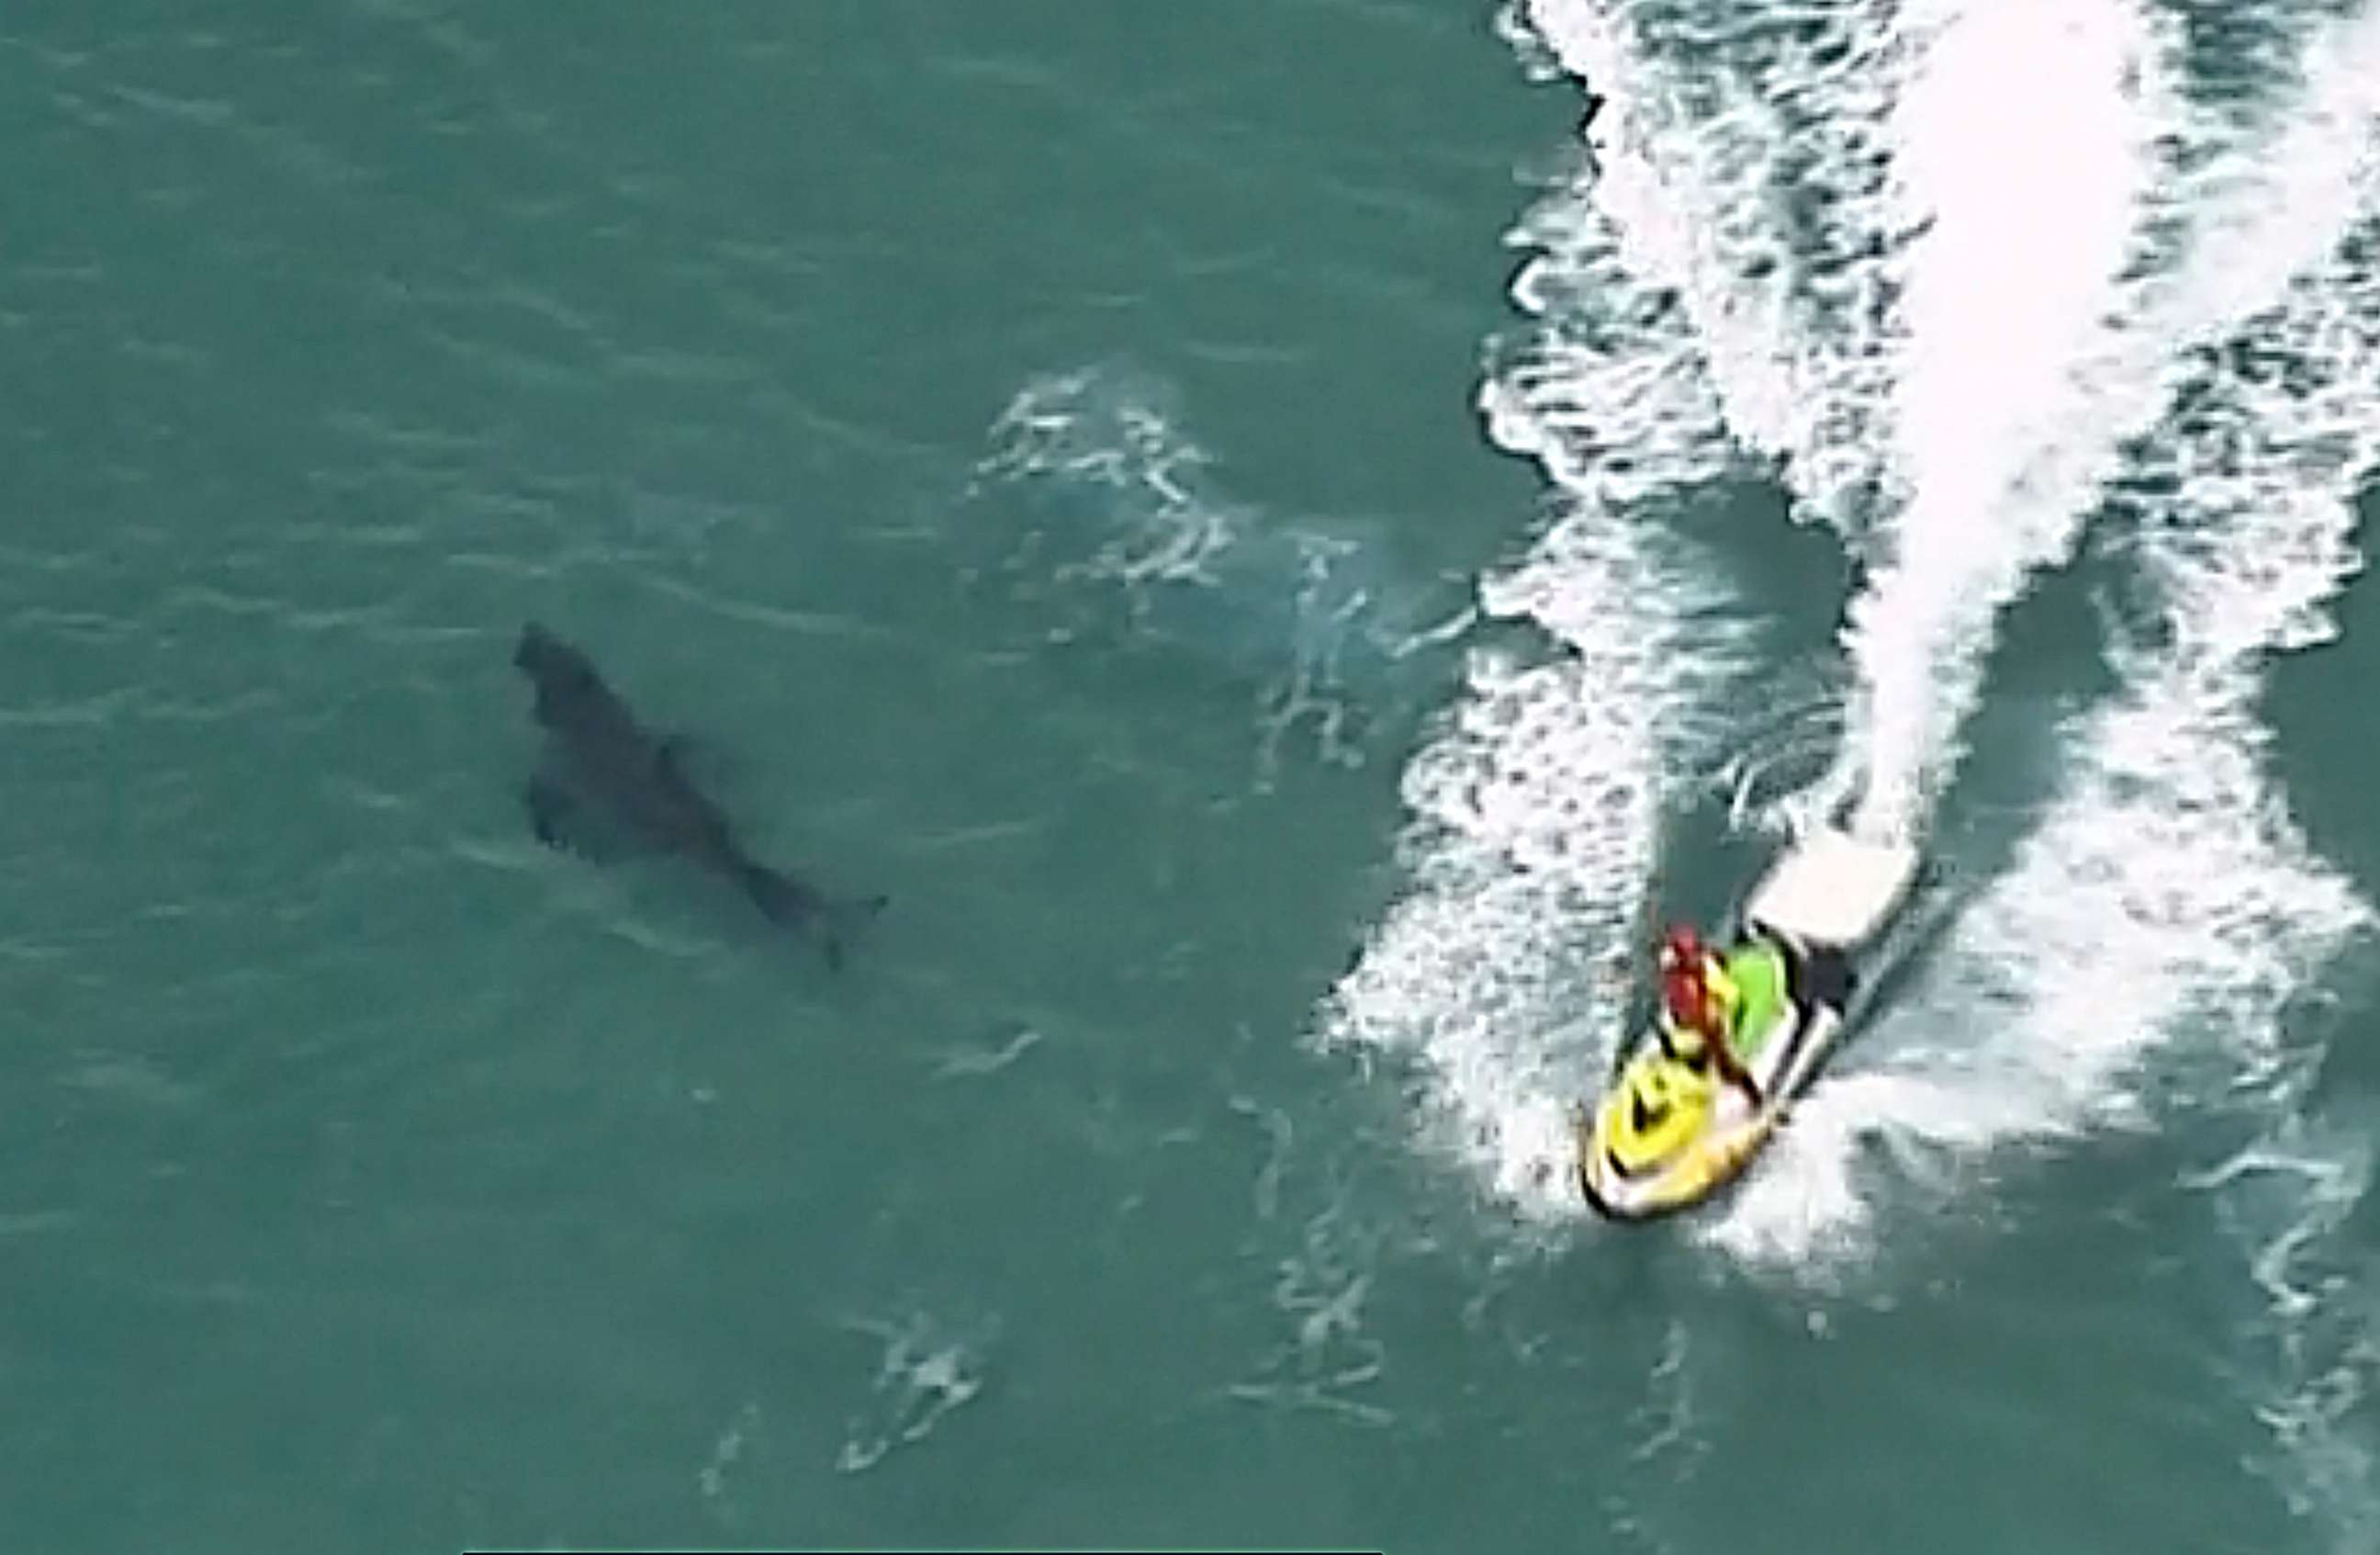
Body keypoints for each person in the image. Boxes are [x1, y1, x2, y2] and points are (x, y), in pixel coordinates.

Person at [1656, 924, 1762, 1103]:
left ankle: (1756, 1099)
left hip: (1706, 1024)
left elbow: (1731, 996)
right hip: (1686, 1023)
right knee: (1685, 1064)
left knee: (1729, 1067)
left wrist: (1718, 1007)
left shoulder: (1705, 971)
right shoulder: (1678, 969)